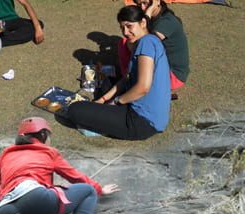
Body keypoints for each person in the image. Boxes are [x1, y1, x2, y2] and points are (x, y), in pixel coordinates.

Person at [67, 6, 171, 141]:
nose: (125, 32)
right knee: (108, 82)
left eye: (129, 26)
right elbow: (126, 79)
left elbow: (143, 87)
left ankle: (102, 124)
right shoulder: (145, 41)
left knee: (74, 110)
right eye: (122, 28)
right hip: (147, 115)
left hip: (141, 122)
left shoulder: (147, 42)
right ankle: (103, 112)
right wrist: (103, 100)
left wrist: (115, 102)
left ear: (143, 23)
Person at [118, 0, 189, 90]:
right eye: (139, 4)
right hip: (163, 67)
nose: (142, 8)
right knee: (125, 42)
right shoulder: (155, 17)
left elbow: (148, 43)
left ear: (156, 2)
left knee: (132, 44)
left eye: (145, 3)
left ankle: (131, 79)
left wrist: (147, 14)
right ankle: (128, 76)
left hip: (173, 77)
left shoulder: (167, 21)